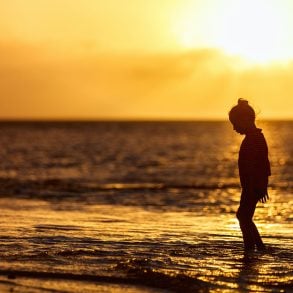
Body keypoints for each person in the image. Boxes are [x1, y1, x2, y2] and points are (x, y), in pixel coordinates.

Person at [229, 98, 271, 251]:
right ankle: (257, 246)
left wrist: (259, 186)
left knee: (243, 217)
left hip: (251, 186)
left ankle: (252, 247)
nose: (234, 128)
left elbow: (262, 164)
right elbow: (264, 165)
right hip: (250, 186)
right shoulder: (254, 138)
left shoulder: (254, 139)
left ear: (245, 119)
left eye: (235, 124)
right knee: (244, 217)